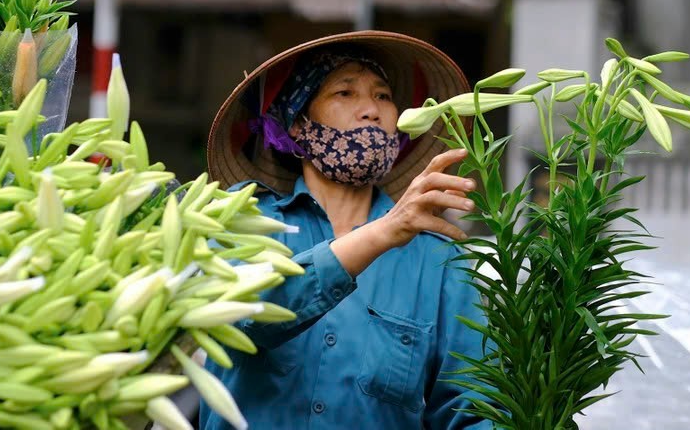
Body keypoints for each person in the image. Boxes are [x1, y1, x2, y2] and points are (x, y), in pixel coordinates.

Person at [203, 31, 494, 429]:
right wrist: (382, 233)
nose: (371, 110)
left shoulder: (439, 259)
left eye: (383, 96)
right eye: (345, 93)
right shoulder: (243, 217)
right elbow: (246, 315)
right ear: (298, 123)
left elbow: (473, 408)